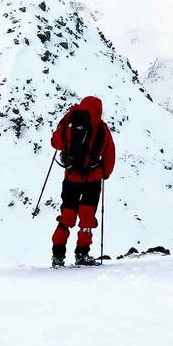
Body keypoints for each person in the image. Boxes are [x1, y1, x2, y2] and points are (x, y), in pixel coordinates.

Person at [50, 95, 116, 267]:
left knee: (67, 215)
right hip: (92, 180)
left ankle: (57, 255)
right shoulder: (102, 128)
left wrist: (64, 122)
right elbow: (109, 154)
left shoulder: (71, 121)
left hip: (71, 178)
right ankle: (82, 254)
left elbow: (55, 143)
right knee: (87, 216)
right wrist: (105, 174)